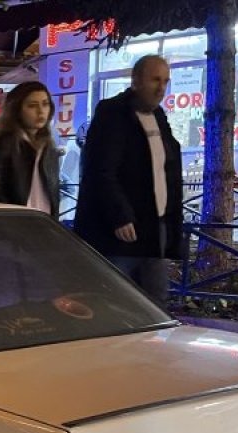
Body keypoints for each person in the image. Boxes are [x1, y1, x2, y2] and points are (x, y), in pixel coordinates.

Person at [74, 55, 183, 304]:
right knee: (114, 299)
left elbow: (166, 169)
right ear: (136, 81)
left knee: (154, 301)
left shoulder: (158, 117)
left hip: (154, 228)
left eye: (166, 81)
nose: (161, 88)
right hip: (122, 233)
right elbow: (101, 169)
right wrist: (119, 214)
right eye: (155, 80)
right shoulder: (113, 113)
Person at [0, 81, 61, 219]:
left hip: (45, 225)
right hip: (17, 227)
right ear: (17, 109)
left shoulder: (49, 147)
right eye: (32, 106)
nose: (41, 111)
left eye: (45, 104)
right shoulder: (6, 145)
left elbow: (53, 192)